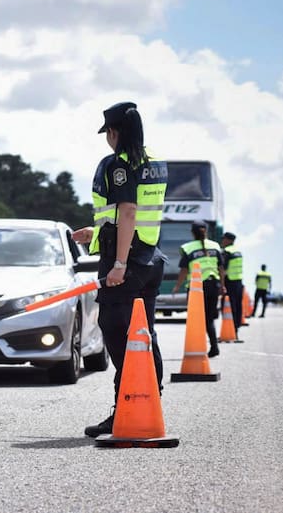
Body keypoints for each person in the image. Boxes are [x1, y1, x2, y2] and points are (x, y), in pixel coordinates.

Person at [71, 101, 168, 438]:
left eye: (108, 133)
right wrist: (96, 232)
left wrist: (119, 264)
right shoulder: (154, 161)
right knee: (142, 332)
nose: (107, 139)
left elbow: (128, 211)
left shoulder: (120, 164)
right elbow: (135, 215)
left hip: (127, 262)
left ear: (115, 132)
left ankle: (130, 403)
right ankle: (149, 397)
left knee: (116, 329)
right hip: (150, 258)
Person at [171, 220, 226, 357]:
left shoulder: (188, 248)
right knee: (209, 319)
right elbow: (221, 269)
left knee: (196, 319)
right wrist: (222, 286)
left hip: (197, 289)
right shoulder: (215, 246)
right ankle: (213, 346)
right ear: (206, 231)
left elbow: (184, 270)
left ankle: (198, 348)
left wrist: (177, 286)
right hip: (214, 285)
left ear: (192, 232)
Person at [220, 232, 243, 337]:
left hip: (229, 282)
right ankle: (236, 329)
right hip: (238, 281)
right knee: (237, 306)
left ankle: (230, 330)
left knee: (228, 307)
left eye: (224, 239)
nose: (222, 241)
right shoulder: (238, 251)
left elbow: (223, 270)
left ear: (229, 240)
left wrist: (221, 284)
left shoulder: (227, 252)